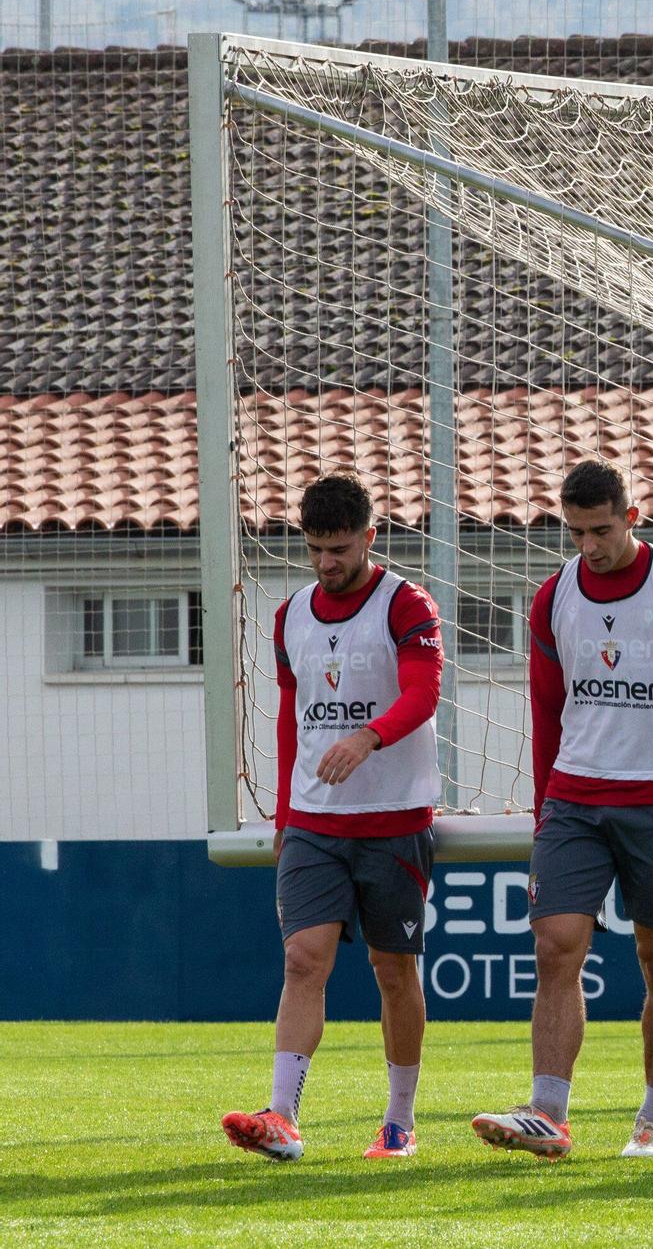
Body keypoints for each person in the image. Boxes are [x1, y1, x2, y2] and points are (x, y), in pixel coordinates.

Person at [472, 462, 653, 1161]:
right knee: (554, 947)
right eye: (576, 533)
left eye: (600, 530)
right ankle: (548, 1112)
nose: (589, 545)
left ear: (633, 515)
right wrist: (544, 809)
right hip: (574, 801)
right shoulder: (551, 598)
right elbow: (544, 711)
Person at [222, 473, 443, 1162]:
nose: (327, 562)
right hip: (316, 822)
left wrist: (368, 736)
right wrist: (288, 810)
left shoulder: (406, 604)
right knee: (301, 959)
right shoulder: (290, 615)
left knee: (393, 970)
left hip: (393, 818)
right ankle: (282, 1117)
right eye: (316, 549)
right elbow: (292, 716)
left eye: (340, 548)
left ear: (370, 538)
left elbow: (425, 694)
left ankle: (399, 1122)